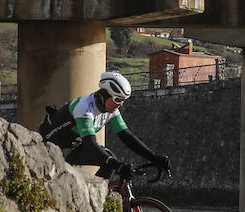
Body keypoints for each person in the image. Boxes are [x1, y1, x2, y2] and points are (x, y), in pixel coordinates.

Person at [38, 72, 170, 183]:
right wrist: (117, 165)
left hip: (75, 144)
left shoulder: (110, 110)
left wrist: (154, 157)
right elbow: (90, 144)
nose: (120, 105)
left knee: (109, 160)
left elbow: (127, 136)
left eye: (123, 101)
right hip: (53, 146)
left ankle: (94, 200)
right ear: (103, 95)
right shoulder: (84, 107)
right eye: (118, 100)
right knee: (110, 161)